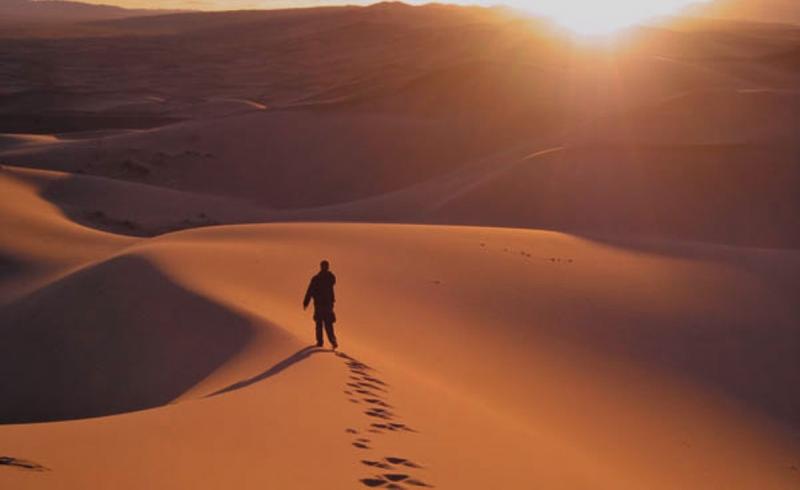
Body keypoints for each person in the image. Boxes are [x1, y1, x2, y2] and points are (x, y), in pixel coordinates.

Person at [303, 260, 338, 349]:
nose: (325, 268)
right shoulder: (324, 278)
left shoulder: (320, 278)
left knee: (324, 324)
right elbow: (310, 290)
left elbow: (310, 290)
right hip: (324, 305)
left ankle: (326, 341)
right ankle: (326, 341)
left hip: (324, 305)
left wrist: (306, 302)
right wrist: (306, 301)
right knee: (324, 324)